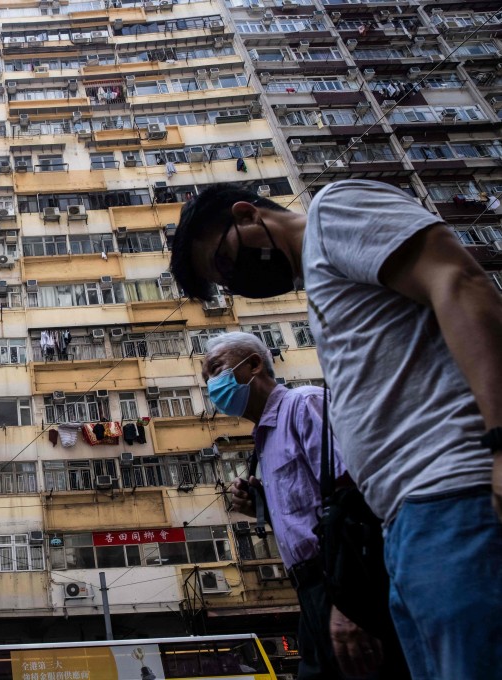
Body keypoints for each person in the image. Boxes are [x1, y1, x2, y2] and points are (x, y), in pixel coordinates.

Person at [168, 180, 502, 680]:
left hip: (453, 490)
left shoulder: (332, 211)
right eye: (222, 284)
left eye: (223, 264)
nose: (232, 285)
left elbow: (458, 283)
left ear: (247, 216)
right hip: (406, 522)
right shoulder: (323, 298)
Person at [204, 332, 408, 680]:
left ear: (254, 364)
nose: (212, 384)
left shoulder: (304, 404)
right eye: (207, 377)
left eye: (217, 369)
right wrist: (262, 507)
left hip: (345, 583)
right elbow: (309, 510)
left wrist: (350, 606)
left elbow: (355, 501)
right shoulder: (264, 440)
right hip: (310, 592)